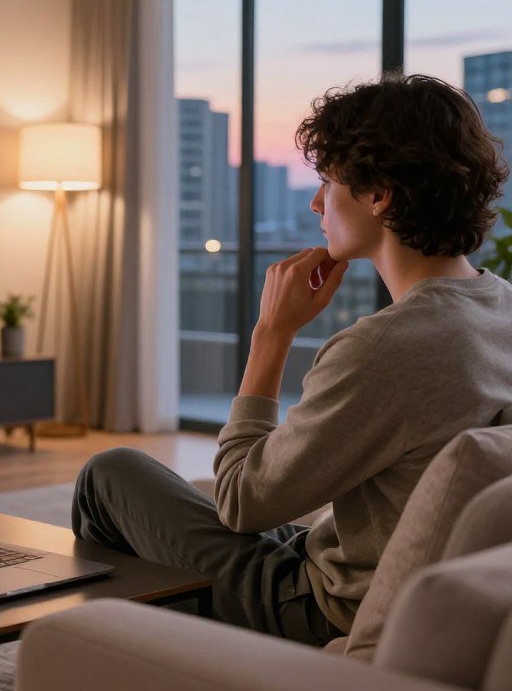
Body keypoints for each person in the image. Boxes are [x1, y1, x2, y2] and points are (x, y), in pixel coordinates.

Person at [72, 74, 512, 647]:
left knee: (110, 475)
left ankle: (119, 656)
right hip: (410, 579)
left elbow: (238, 502)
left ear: (378, 194)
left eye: (327, 181)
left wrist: (271, 333)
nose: (314, 202)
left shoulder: (383, 348)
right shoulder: (501, 304)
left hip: (327, 609)